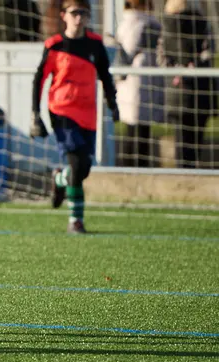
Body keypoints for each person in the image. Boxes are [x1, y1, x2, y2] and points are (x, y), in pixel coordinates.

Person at [30, 0, 118, 234]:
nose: (79, 17)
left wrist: (113, 102)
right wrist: (35, 114)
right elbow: (39, 80)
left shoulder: (95, 44)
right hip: (62, 112)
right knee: (77, 164)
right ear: (64, 16)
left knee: (84, 168)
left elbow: (106, 76)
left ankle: (59, 179)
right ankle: (75, 221)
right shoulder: (55, 45)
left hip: (88, 114)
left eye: (84, 13)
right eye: (75, 13)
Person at [158, 0, 216, 168]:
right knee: (196, 137)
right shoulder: (203, 24)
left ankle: (182, 174)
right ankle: (193, 173)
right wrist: (192, 67)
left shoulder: (165, 27)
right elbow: (208, 53)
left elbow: (161, 58)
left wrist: (178, 71)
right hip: (200, 89)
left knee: (181, 137)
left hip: (177, 90)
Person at [114, 0, 164, 167]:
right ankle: (135, 168)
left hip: (135, 84)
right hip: (142, 85)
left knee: (135, 133)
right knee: (139, 133)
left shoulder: (133, 23)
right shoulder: (145, 23)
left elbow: (126, 55)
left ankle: (133, 168)